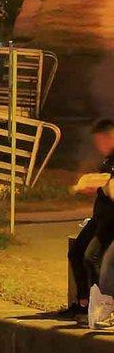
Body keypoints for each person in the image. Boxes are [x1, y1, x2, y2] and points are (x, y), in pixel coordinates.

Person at [63, 118, 114, 317]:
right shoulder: (107, 160)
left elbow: (109, 185)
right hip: (99, 217)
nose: (98, 146)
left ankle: (99, 308)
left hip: (110, 220)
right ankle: (83, 304)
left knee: (91, 257)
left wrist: (98, 183)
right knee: (75, 252)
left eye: (100, 140)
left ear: (109, 137)